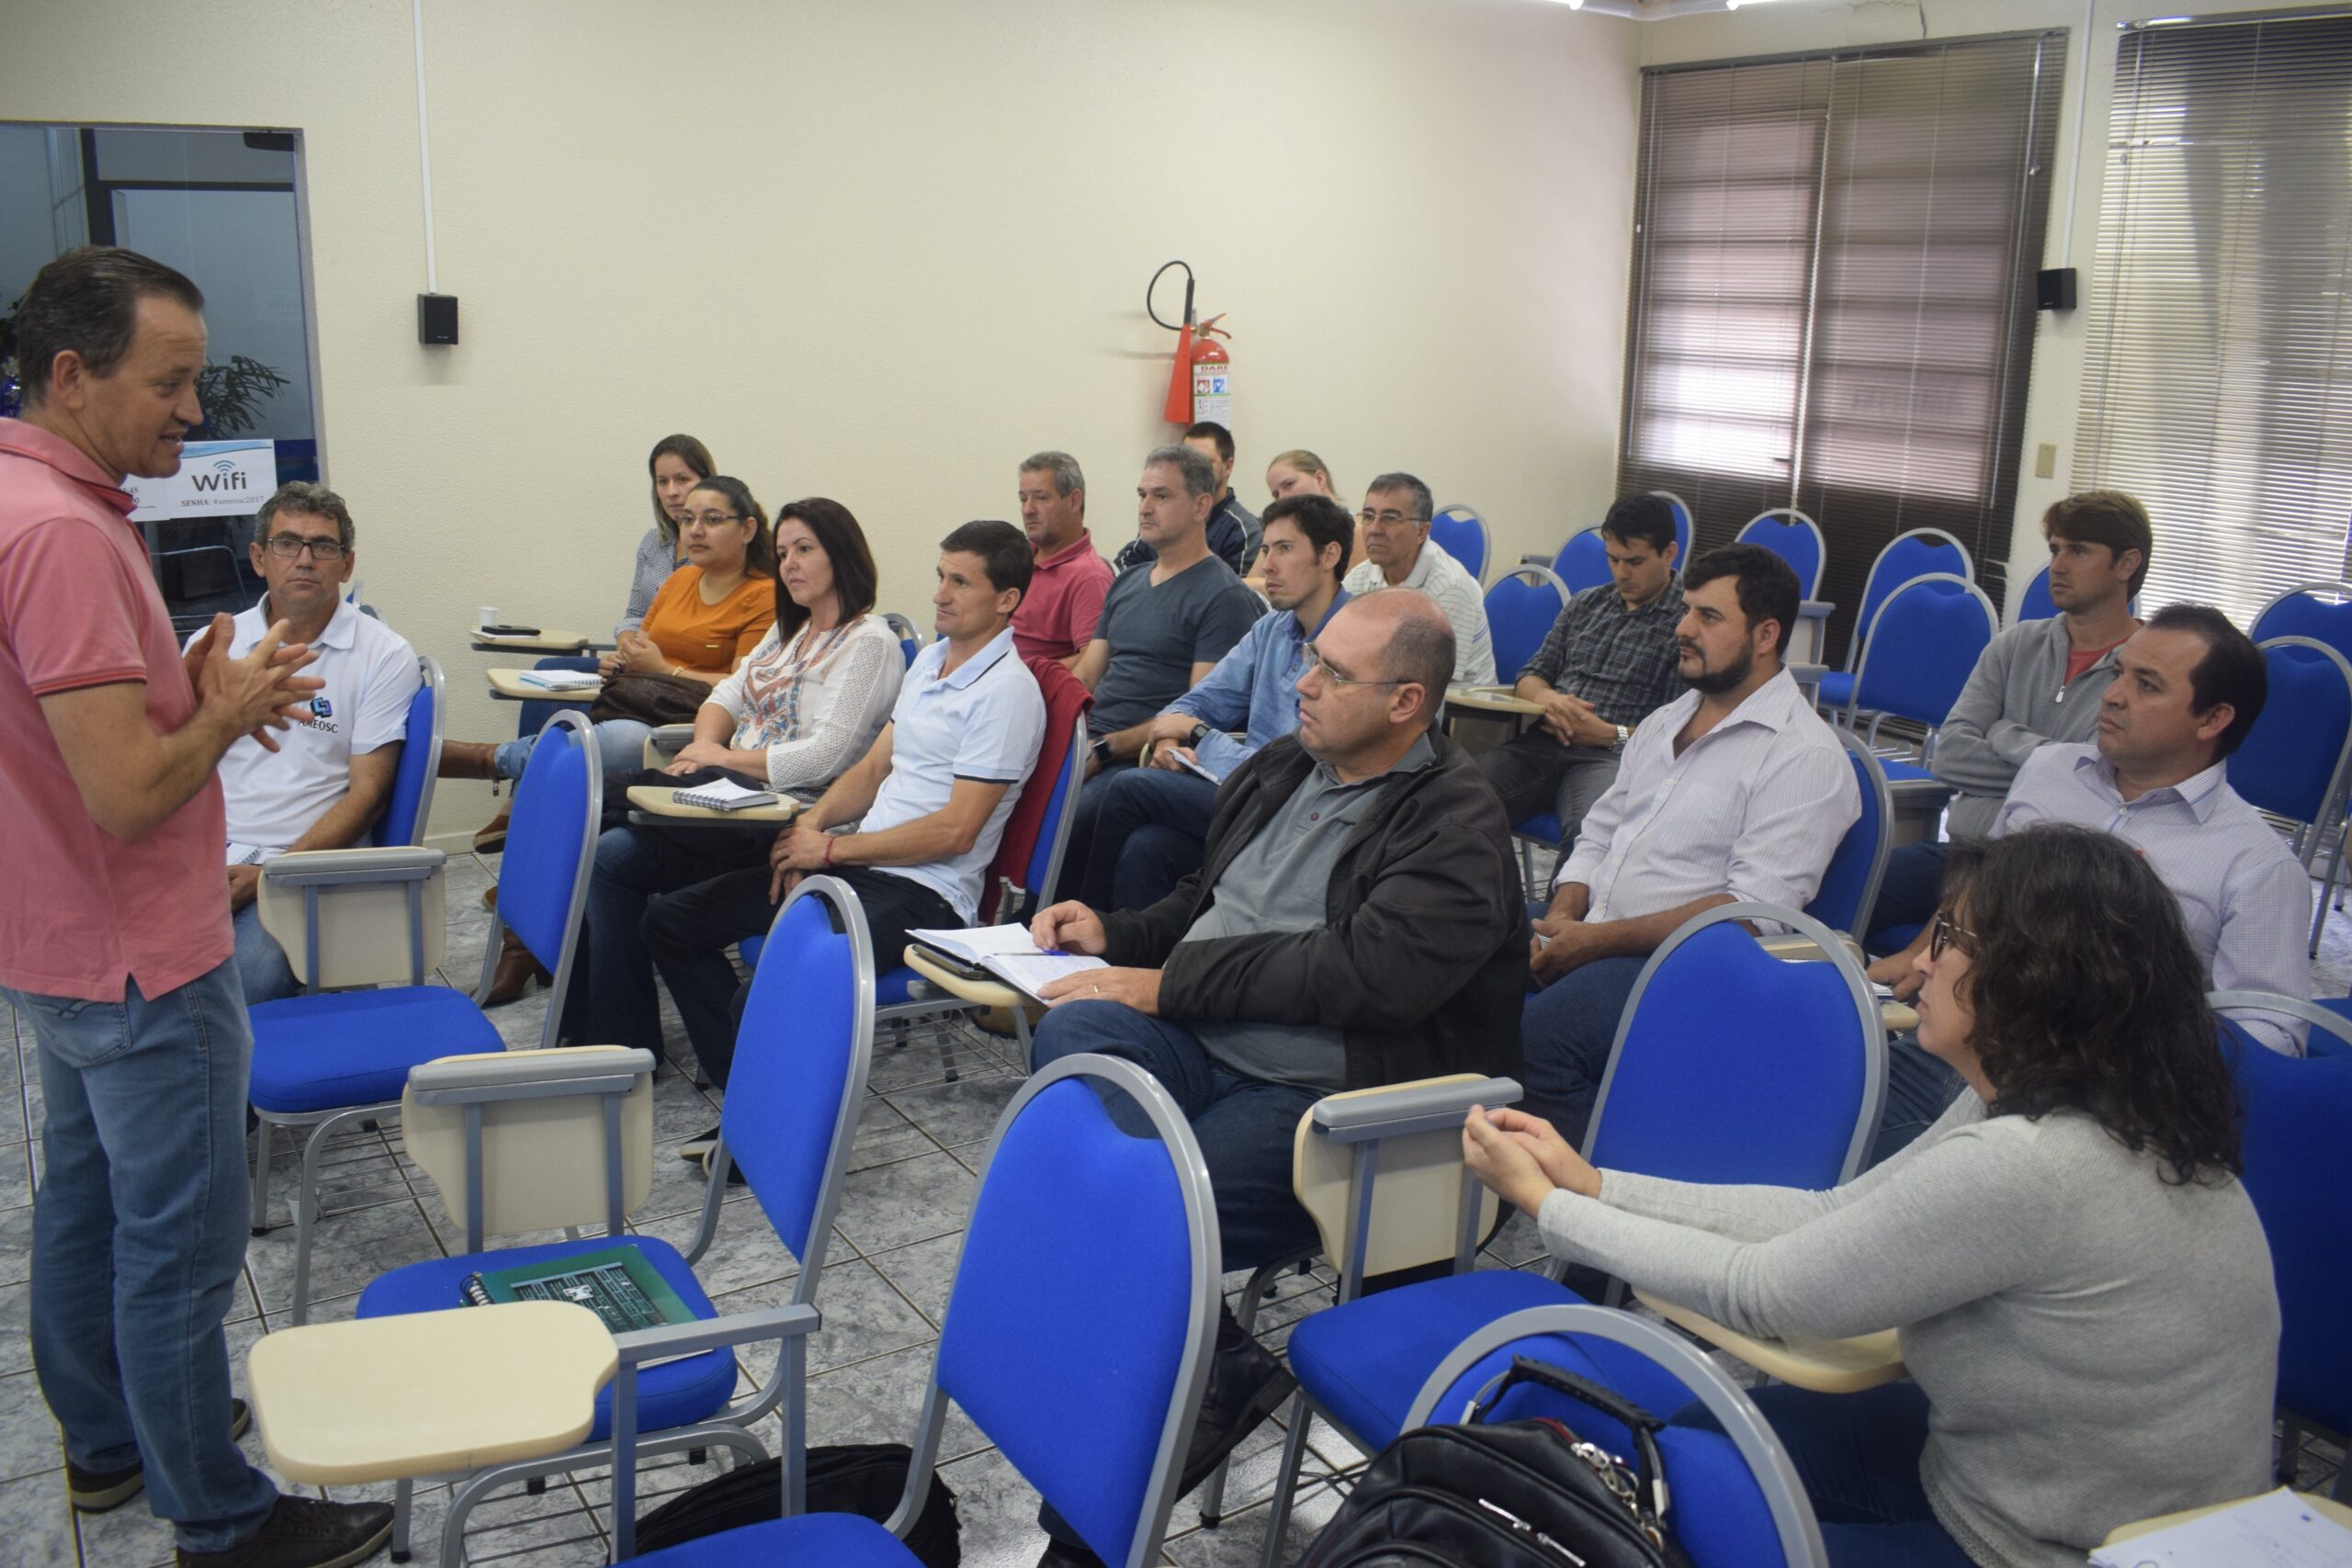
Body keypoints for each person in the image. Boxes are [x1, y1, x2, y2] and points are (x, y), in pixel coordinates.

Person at [1464, 826, 2279, 1567]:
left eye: (1952, 940)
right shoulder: (2072, 1096)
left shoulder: (2035, 1163)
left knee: (1681, 1517)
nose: (1921, 960)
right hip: (1994, 1476)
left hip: (2048, 1548)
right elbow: (1828, 1215)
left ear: (2036, 976)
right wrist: (1597, 1184)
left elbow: (1767, 1292)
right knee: (1678, 1460)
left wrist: (1549, 1207)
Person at [0, 246, 391, 1566]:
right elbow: (121, 792)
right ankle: (220, 1517)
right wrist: (218, 712)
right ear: (70, 372)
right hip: (137, 951)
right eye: (167, 383)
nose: (191, 410)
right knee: (173, 1246)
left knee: (89, 1203)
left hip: (54, 939)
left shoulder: (20, 499)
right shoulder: (61, 532)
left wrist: (191, 694)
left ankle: (111, 1437)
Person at [1025, 592, 1525, 1561]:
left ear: (1405, 702)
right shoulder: (1290, 762)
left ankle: (1078, 1538)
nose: (1303, 680)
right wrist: (1119, 935)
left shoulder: (1455, 823)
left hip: (1336, 1104)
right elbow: (1212, 901)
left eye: (1336, 672)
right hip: (1209, 1044)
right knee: (1077, 1041)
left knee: (1136, 1225)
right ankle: (1212, 1360)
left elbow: (1363, 975)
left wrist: (1171, 984)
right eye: (1314, 659)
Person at [1866, 605, 2312, 1161]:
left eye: (2145, 685)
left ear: (2212, 719)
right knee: (1814, 1134)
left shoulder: (2255, 864)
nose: (2112, 694)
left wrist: (2135, 1045)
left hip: (2083, 1110)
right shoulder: (2050, 772)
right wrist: (1917, 954)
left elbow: (2270, 1035)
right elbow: (1981, 900)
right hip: (1956, 1048)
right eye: (2120, 671)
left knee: (1888, 1216)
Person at [640, 520, 1046, 1090]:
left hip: (924, 895)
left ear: (1007, 601)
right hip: (861, 867)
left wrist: (830, 849)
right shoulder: (931, 662)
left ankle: (757, 1127)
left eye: (960, 583)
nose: (939, 595)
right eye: (939, 577)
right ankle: (748, 1098)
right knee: (671, 921)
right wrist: (809, 828)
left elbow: (957, 831)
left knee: (781, 980)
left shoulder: (1007, 692)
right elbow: (874, 768)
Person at [1521, 544, 1857, 1146]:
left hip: (1685, 969)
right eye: (1686, 611)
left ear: (1766, 634)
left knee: (1540, 1036)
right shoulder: (1667, 718)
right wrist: (1568, 909)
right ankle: (1453, 1194)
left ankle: (1603, 1202)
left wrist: (1592, 941)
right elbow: (1599, 831)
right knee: (1455, 956)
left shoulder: (1802, 755)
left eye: (1709, 616)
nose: (1682, 628)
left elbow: (1751, 914)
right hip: (1596, 928)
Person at [564, 497, 903, 1076]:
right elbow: (725, 695)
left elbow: (830, 753)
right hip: (735, 796)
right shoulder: (790, 629)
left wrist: (726, 758)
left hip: (789, 811)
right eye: (783, 553)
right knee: (601, 846)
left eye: (804, 550)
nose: (789, 564)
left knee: (610, 837)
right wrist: (704, 748)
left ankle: (622, 1043)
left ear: (841, 555)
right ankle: (608, 1039)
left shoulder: (869, 642)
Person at [446, 475, 780, 997]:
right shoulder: (678, 581)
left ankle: (500, 762)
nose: (695, 530)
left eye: (712, 520)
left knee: (597, 749)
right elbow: (642, 646)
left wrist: (665, 668)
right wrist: (623, 659)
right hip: (641, 705)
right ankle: (523, 940)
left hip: (692, 730)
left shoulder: (762, 596)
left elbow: (747, 689)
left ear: (748, 529)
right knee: (567, 783)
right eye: (687, 519)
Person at [1865, 491, 2149, 951]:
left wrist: (2003, 733)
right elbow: (1951, 754)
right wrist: (2052, 764)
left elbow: (2090, 790)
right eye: (2055, 549)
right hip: (1965, 853)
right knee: (1848, 889)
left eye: (2078, 551)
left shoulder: (2144, 671)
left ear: (2126, 564)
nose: (2057, 565)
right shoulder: (2015, 645)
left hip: (2052, 879)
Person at [1063, 491, 1352, 910]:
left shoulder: (1352, 641)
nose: (1267, 564)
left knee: (1127, 787)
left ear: (1329, 556)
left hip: (1298, 807)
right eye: (1267, 548)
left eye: (1285, 549)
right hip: (1245, 791)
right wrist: (1168, 744)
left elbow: (1297, 765)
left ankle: (1077, 930)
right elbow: (1190, 705)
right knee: (1148, 847)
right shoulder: (1271, 629)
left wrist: (1198, 736)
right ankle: (1129, 961)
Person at [205, 480, 421, 1006]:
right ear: (259, 557)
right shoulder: (215, 643)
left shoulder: (383, 655)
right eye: (287, 543)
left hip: (303, 865)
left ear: (346, 565)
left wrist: (267, 878)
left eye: (322, 546)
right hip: (206, 851)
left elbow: (367, 796)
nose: (304, 559)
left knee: (243, 980)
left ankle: (247, 1088)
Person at [1475, 492, 1685, 840]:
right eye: (1613, 560)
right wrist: (1549, 700)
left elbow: (1680, 728)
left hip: (1614, 758)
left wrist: (1609, 733)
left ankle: (1565, 897)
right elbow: (1531, 674)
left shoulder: (1686, 623)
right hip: (1543, 743)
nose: (1622, 573)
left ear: (1669, 554)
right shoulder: (1588, 603)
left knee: (1593, 830)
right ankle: (1484, 895)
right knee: (1456, 799)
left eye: (1634, 561)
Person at [1066, 444, 1260, 794]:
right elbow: (1086, 674)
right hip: (1087, 743)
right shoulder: (1127, 580)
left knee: (1071, 824)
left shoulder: (1223, 596)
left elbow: (1194, 713)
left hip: (1138, 756)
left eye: (1161, 496)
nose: (1145, 508)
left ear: (1201, 506)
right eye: (1142, 495)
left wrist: (1106, 749)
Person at [1340, 470, 1497, 685]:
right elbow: (1340, 648)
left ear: (1421, 532)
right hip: (1386, 688)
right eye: (1368, 516)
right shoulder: (1360, 577)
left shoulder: (1450, 588)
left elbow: (1434, 682)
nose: (1374, 529)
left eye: (1390, 518)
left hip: (1457, 708)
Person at [1010, 449, 1112, 668]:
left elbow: (1093, 663)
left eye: (1041, 498)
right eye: (1023, 499)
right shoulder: (1014, 558)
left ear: (1074, 501)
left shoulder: (1089, 576)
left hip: (1025, 692)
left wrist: (1022, 677)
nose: (1028, 510)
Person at [1110, 422, 1256, 575]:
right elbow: (1125, 565)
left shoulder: (1242, 531)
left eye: (1203, 461)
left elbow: (1237, 591)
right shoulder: (1163, 518)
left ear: (1227, 466)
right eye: (1142, 495)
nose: (1191, 470)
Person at [619, 433, 717, 635]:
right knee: (550, 664)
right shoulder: (651, 542)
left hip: (684, 660)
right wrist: (625, 642)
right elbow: (635, 614)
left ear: (706, 482)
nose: (671, 492)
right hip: (640, 656)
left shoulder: (720, 545)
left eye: (682, 479)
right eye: (662, 481)